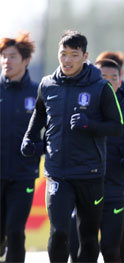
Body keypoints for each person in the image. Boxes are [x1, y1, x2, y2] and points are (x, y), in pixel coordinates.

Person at [21, 30, 123, 263]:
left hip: (90, 173)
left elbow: (116, 126)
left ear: (85, 56)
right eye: (63, 54)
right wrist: (29, 137)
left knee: (87, 237)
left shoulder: (100, 87)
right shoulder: (47, 84)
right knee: (59, 232)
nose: (67, 60)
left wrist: (90, 125)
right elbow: (39, 114)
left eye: (74, 55)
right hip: (58, 172)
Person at [68, 57, 124, 263]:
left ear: (120, 78)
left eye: (113, 77)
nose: (108, 81)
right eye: (103, 77)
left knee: (110, 248)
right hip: (85, 186)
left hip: (115, 188)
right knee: (81, 247)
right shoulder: (81, 103)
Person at [0, 31, 40, 263]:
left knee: (15, 231)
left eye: (12, 56)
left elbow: (51, 131)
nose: (7, 61)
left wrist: (38, 148)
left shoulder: (37, 93)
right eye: (4, 56)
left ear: (25, 60)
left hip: (23, 175)